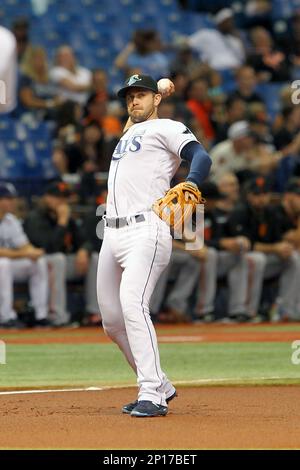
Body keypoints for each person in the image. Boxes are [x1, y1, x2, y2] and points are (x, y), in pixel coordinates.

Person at [96, 74, 212, 417]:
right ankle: (159, 382)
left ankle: (152, 395)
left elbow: (201, 157)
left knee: (133, 305)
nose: (134, 101)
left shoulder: (168, 128)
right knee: (112, 322)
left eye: (141, 95)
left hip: (146, 230)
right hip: (111, 234)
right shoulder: (129, 131)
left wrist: (190, 182)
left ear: (156, 101)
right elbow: (135, 118)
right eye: (129, 96)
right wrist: (153, 93)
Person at [24, 181, 91, 326]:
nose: (62, 202)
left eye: (64, 198)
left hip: (63, 264)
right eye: (58, 197)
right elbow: (47, 247)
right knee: (58, 259)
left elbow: (85, 240)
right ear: (47, 197)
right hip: (41, 264)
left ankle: (94, 313)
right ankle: (57, 316)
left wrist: (84, 250)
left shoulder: (67, 218)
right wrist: (61, 222)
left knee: (96, 259)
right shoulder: (35, 217)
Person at [0, 183, 49, 328]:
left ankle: (40, 315)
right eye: (7, 198)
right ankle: (5, 316)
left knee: (38, 262)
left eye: (12, 198)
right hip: (3, 266)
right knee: (3, 263)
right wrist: (24, 253)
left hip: (8, 266)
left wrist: (33, 252)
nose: (12, 202)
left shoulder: (11, 220)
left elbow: (24, 245)